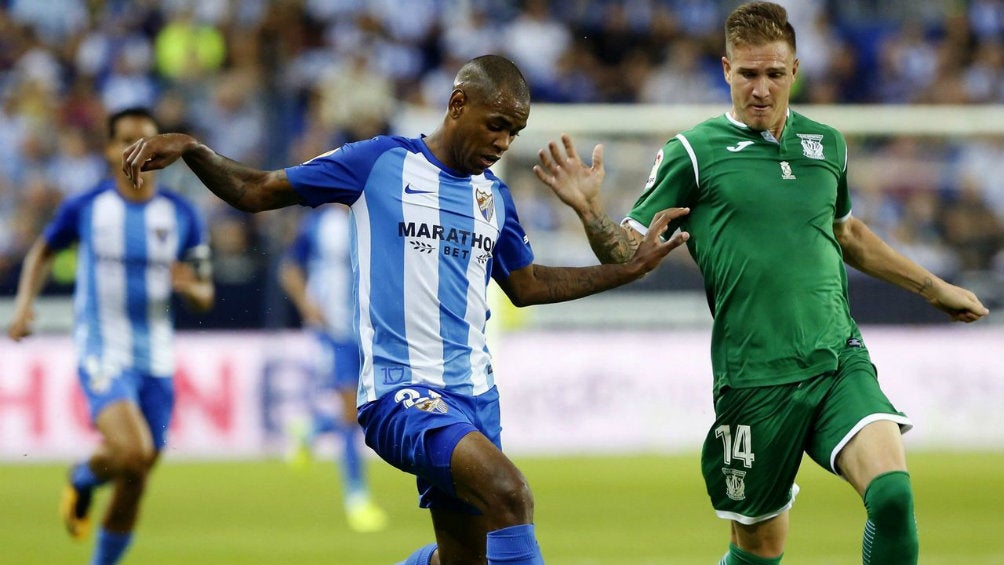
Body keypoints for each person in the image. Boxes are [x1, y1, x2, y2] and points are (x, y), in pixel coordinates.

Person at [119, 54, 690, 565]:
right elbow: (258, 190)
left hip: (475, 398)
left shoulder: (493, 196)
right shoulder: (378, 163)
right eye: (496, 125)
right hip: (399, 393)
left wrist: (628, 268)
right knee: (510, 493)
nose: (501, 143)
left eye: (512, 133)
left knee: (464, 559)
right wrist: (195, 150)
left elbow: (528, 284)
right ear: (458, 104)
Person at [532, 4, 990, 565]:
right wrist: (590, 214)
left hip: (835, 356)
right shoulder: (693, 153)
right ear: (726, 70)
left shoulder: (828, 145)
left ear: (794, 70)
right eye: (748, 74)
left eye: (774, 73)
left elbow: (848, 234)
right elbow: (628, 250)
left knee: (892, 494)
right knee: (759, 550)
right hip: (754, 377)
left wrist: (933, 289)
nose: (761, 88)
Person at [7, 106, 215, 565]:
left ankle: (85, 482)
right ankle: (88, 503)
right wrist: (24, 308)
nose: (136, 150)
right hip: (103, 348)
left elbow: (205, 290)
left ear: (162, 151)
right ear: (107, 149)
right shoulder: (87, 206)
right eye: (125, 140)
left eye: (147, 140)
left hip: (157, 357)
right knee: (134, 451)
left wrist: (192, 286)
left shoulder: (183, 215)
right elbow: (42, 250)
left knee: (136, 470)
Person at [279, 203, 389, 533]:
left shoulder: (377, 217)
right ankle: (357, 498)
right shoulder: (319, 224)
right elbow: (289, 268)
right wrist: (307, 304)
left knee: (361, 411)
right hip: (334, 331)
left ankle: (310, 430)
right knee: (350, 412)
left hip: (371, 331)